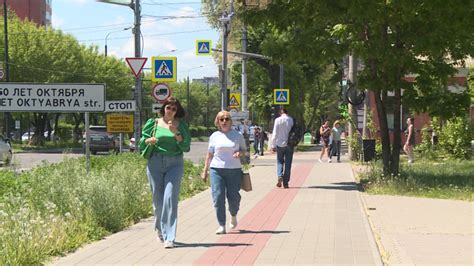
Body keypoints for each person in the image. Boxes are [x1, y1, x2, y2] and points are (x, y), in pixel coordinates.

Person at [139, 97, 191, 249]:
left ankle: (169, 237)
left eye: (174, 109)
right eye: (168, 107)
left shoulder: (180, 126)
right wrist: (149, 141)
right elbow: (142, 141)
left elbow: (186, 146)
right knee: (158, 200)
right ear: (164, 108)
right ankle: (160, 229)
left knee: (170, 198)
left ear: (177, 111)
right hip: (155, 162)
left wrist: (177, 134)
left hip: (174, 163)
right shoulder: (153, 123)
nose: (171, 111)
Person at [202, 111, 247, 235]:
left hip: (234, 170)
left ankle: (233, 214)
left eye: (227, 119)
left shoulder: (237, 135)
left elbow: (245, 151)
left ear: (230, 121)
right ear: (218, 122)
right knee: (218, 197)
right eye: (221, 119)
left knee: (233, 197)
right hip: (216, 169)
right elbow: (209, 154)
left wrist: (240, 153)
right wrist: (205, 170)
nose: (224, 121)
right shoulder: (214, 136)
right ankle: (221, 225)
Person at [270, 107, 294, 189]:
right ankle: (286, 182)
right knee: (288, 164)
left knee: (280, 161)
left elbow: (275, 133)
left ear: (280, 113)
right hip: (290, 144)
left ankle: (280, 176)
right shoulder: (291, 120)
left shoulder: (277, 120)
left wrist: (272, 145)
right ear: (287, 113)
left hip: (280, 144)